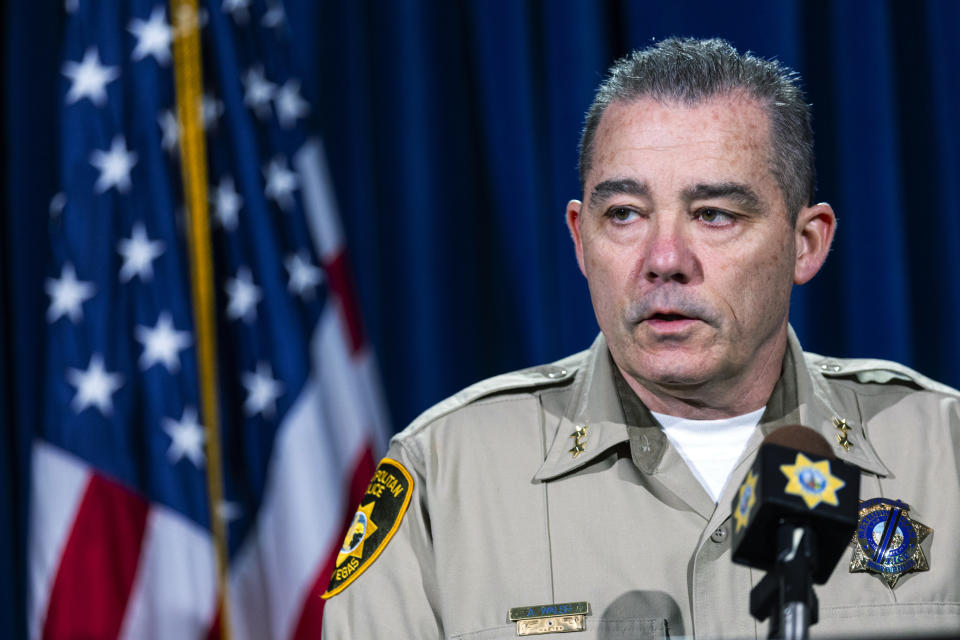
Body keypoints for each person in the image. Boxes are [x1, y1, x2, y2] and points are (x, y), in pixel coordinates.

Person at [320, 37, 960, 639]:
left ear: (806, 243)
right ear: (580, 239)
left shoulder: (944, 454)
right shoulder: (445, 475)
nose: (664, 258)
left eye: (714, 215)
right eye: (623, 214)